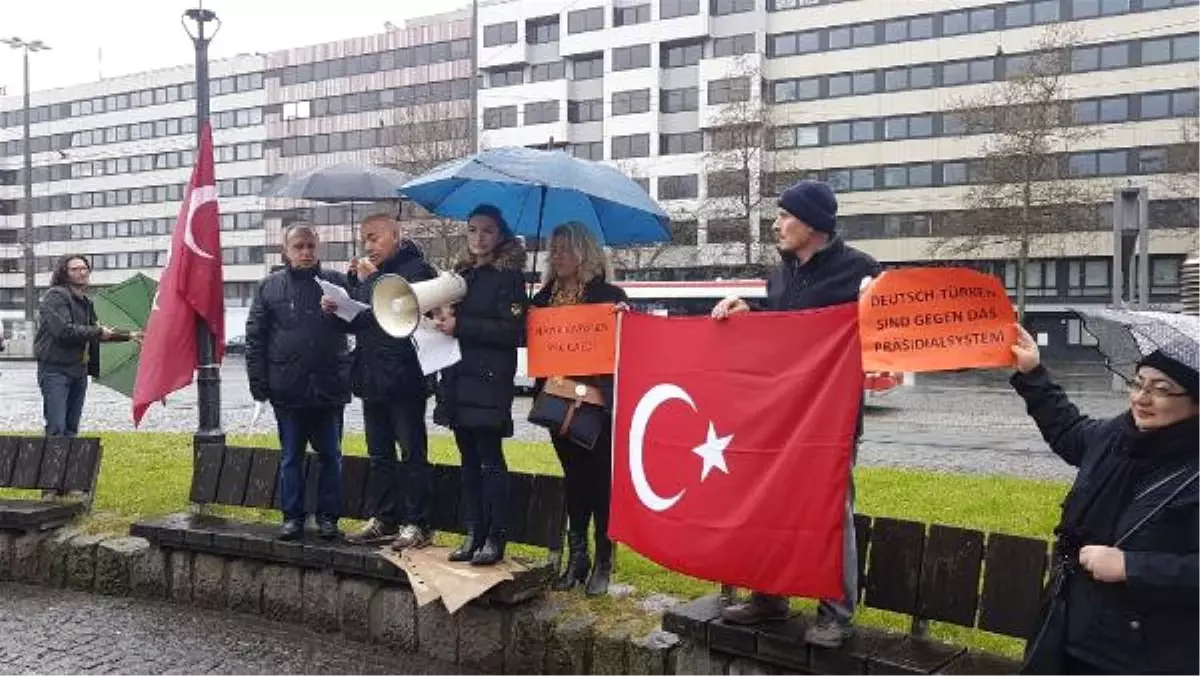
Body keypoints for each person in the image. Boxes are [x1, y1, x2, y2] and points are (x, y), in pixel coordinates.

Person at [711, 179, 881, 648]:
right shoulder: (779, 275)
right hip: (781, 418)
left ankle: (836, 613)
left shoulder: (862, 272)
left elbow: (876, 340)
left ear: (811, 223)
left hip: (832, 420)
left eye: (784, 216)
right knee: (772, 504)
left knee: (833, 510)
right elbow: (783, 334)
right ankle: (769, 597)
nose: (776, 224)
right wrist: (749, 312)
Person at [1010, 326, 1200, 676]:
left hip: (1143, 654)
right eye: (1139, 383)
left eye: (1162, 390)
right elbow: (1069, 432)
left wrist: (1131, 566)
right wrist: (1033, 372)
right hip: (1072, 624)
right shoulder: (1119, 434)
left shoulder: (1192, 473)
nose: (1142, 398)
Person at [530, 222, 628, 596]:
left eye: (565, 248)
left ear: (585, 252)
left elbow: (626, 344)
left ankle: (604, 559)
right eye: (553, 249)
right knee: (574, 480)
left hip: (595, 403)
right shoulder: (542, 299)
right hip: (556, 401)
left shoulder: (608, 295)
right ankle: (577, 557)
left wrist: (623, 318)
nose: (557, 255)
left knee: (599, 481)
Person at [334, 214, 439, 550]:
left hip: (405, 377)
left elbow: (394, 312)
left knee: (411, 453)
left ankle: (417, 522)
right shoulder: (367, 274)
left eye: (375, 238)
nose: (369, 245)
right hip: (371, 374)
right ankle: (385, 517)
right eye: (365, 239)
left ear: (395, 235)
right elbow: (360, 319)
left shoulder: (417, 270)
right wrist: (339, 303)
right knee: (379, 454)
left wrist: (372, 278)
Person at [432, 204, 528, 566]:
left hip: (488, 381)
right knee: (468, 462)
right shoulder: (461, 275)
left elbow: (512, 332)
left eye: (486, 230)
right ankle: (474, 532)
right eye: (472, 230)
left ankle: (495, 537)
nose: (478, 238)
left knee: (490, 462)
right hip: (457, 378)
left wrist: (462, 326)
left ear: (500, 235)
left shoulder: (510, 278)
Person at [245, 225, 352, 541]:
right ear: (286, 251)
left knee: (331, 455)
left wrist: (344, 306)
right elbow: (255, 338)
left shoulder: (336, 283)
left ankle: (329, 518)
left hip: (329, 386)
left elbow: (361, 321)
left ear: (317, 248)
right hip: (288, 389)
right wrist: (258, 383)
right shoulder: (268, 287)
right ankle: (292, 516)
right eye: (298, 246)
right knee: (291, 456)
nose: (305, 252)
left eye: (310, 246)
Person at [35, 254, 139, 437]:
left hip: (78, 370)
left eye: (84, 268)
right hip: (55, 370)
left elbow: (96, 332)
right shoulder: (55, 296)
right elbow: (64, 331)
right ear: (64, 273)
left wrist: (129, 335)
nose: (81, 273)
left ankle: (69, 465)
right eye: (74, 269)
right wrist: (98, 332)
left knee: (72, 427)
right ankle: (53, 465)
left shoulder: (85, 302)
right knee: (57, 428)